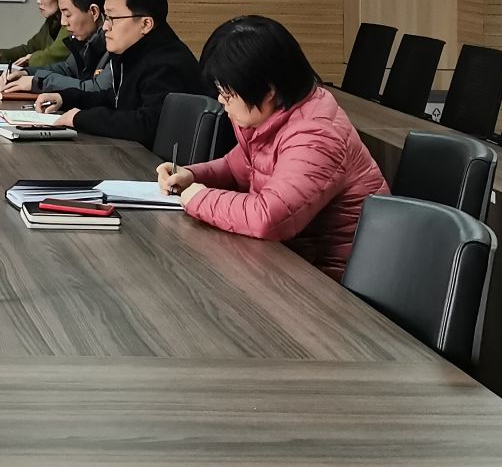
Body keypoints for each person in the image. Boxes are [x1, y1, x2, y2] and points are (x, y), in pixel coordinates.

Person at [156, 15, 387, 279]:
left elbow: (269, 218)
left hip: (336, 280)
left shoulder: (316, 136)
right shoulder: (273, 115)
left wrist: (200, 198)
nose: (220, 100)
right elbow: (235, 168)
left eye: (228, 93)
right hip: (291, 261)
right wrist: (191, 175)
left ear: (268, 91)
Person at [32, 0, 198, 147]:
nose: (105, 26)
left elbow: (146, 124)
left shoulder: (166, 63)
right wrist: (64, 98)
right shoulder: (137, 52)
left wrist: (80, 118)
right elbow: (116, 99)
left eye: (113, 18)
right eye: (106, 17)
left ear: (145, 24)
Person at [2, 0, 110, 97]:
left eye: (68, 14)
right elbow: (67, 69)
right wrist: (25, 72)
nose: (63, 22)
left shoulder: (114, 45)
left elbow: (95, 89)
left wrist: (38, 82)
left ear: (94, 12)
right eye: (61, 14)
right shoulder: (86, 40)